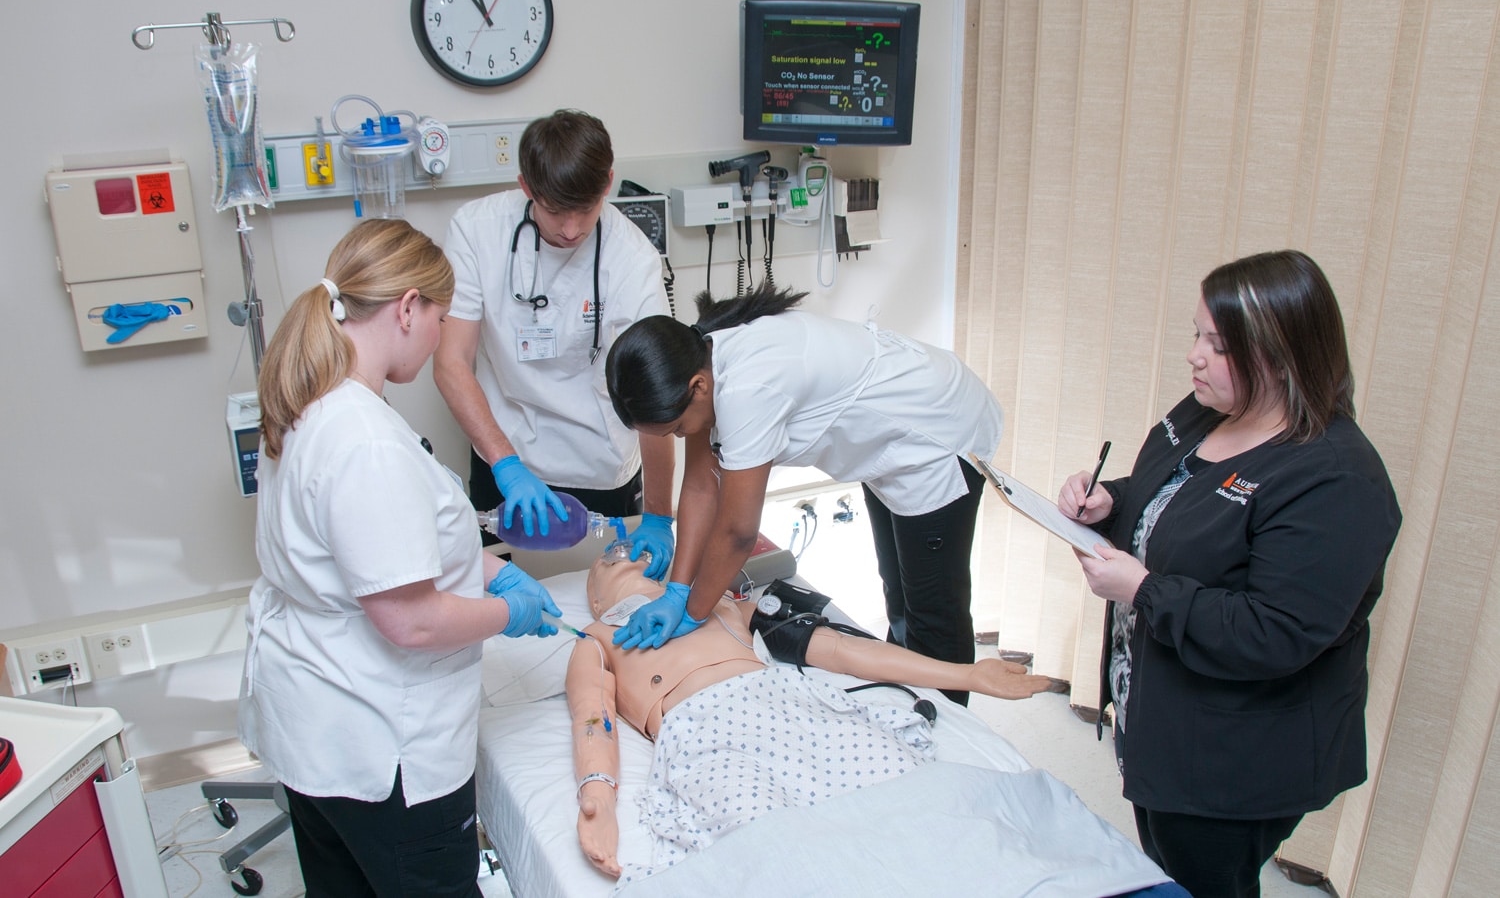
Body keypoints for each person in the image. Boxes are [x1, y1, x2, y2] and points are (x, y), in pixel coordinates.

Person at [1056, 250, 1401, 898]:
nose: (1194, 356)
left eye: (1217, 344)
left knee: (1202, 879)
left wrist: (1141, 590)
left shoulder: (1336, 480)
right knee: (1161, 864)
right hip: (1161, 719)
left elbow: (1276, 632)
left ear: (1279, 353)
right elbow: (1179, 505)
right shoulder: (1207, 411)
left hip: (1233, 759)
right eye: (1198, 334)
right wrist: (1114, 503)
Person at [239, 219, 564, 897]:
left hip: (318, 727)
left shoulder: (312, 405)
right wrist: (507, 610)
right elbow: (409, 621)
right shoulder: (364, 442)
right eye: (440, 317)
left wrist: (488, 568)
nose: (442, 336)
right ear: (408, 307)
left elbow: (379, 547)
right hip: (380, 751)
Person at [603, 282, 1003, 704]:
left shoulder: (747, 390)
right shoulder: (698, 359)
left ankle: (954, 736)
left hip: (936, 434)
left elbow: (737, 532)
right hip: (887, 444)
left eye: (677, 429)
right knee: (900, 592)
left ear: (697, 388)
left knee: (932, 610)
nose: (683, 436)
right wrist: (677, 590)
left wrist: (693, 611)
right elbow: (702, 486)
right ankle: (912, 699)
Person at [565, 553, 1062, 879]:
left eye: (632, 545)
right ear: (595, 598)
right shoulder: (595, 637)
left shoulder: (714, 600)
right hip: (705, 736)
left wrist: (966, 675)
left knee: (905, 788)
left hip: (790, 705)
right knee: (772, 846)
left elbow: (838, 650)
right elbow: (592, 717)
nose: (624, 548)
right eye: (607, 556)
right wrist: (597, 796)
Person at [435, 108, 676, 577]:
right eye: (553, 211)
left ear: (607, 183)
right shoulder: (476, 229)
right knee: (501, 597)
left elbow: (652, 395)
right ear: (526, 188)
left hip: (598, 466)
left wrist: (660, 514)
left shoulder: (632, 261)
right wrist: (506, 465)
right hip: (503, 460)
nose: (570, 230)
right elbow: (450, 362)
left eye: (584, 211)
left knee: (599, 602)